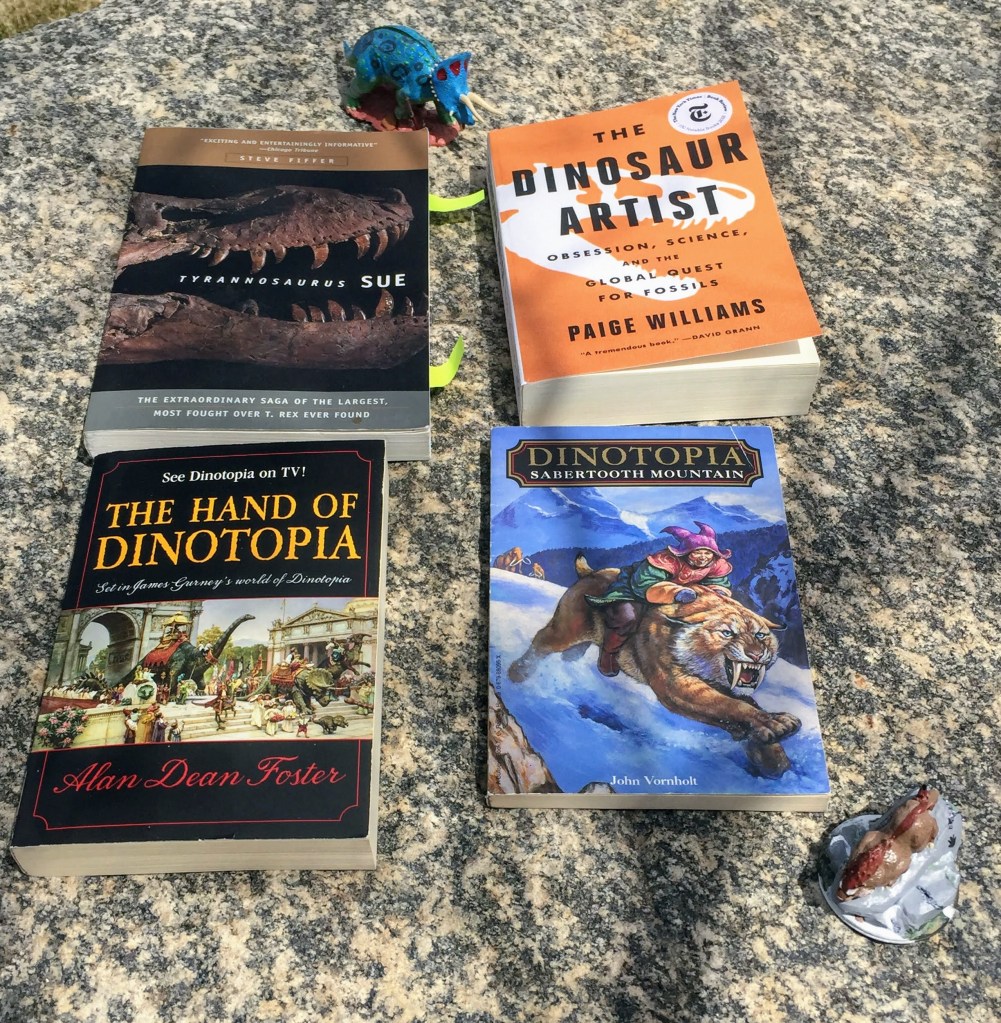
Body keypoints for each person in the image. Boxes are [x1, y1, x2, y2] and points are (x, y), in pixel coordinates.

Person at [584, 521, 733, 677]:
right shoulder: (665, 560)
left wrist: (716, 594)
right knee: (627, 618)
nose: (703, 557)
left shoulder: (716, 564)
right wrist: (675, 593)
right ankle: (609, 653)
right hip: (638, 591)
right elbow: (643, 584)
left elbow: (718, 583)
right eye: (698, 552)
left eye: (708, 553)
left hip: (685, 597)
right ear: (686, 552)